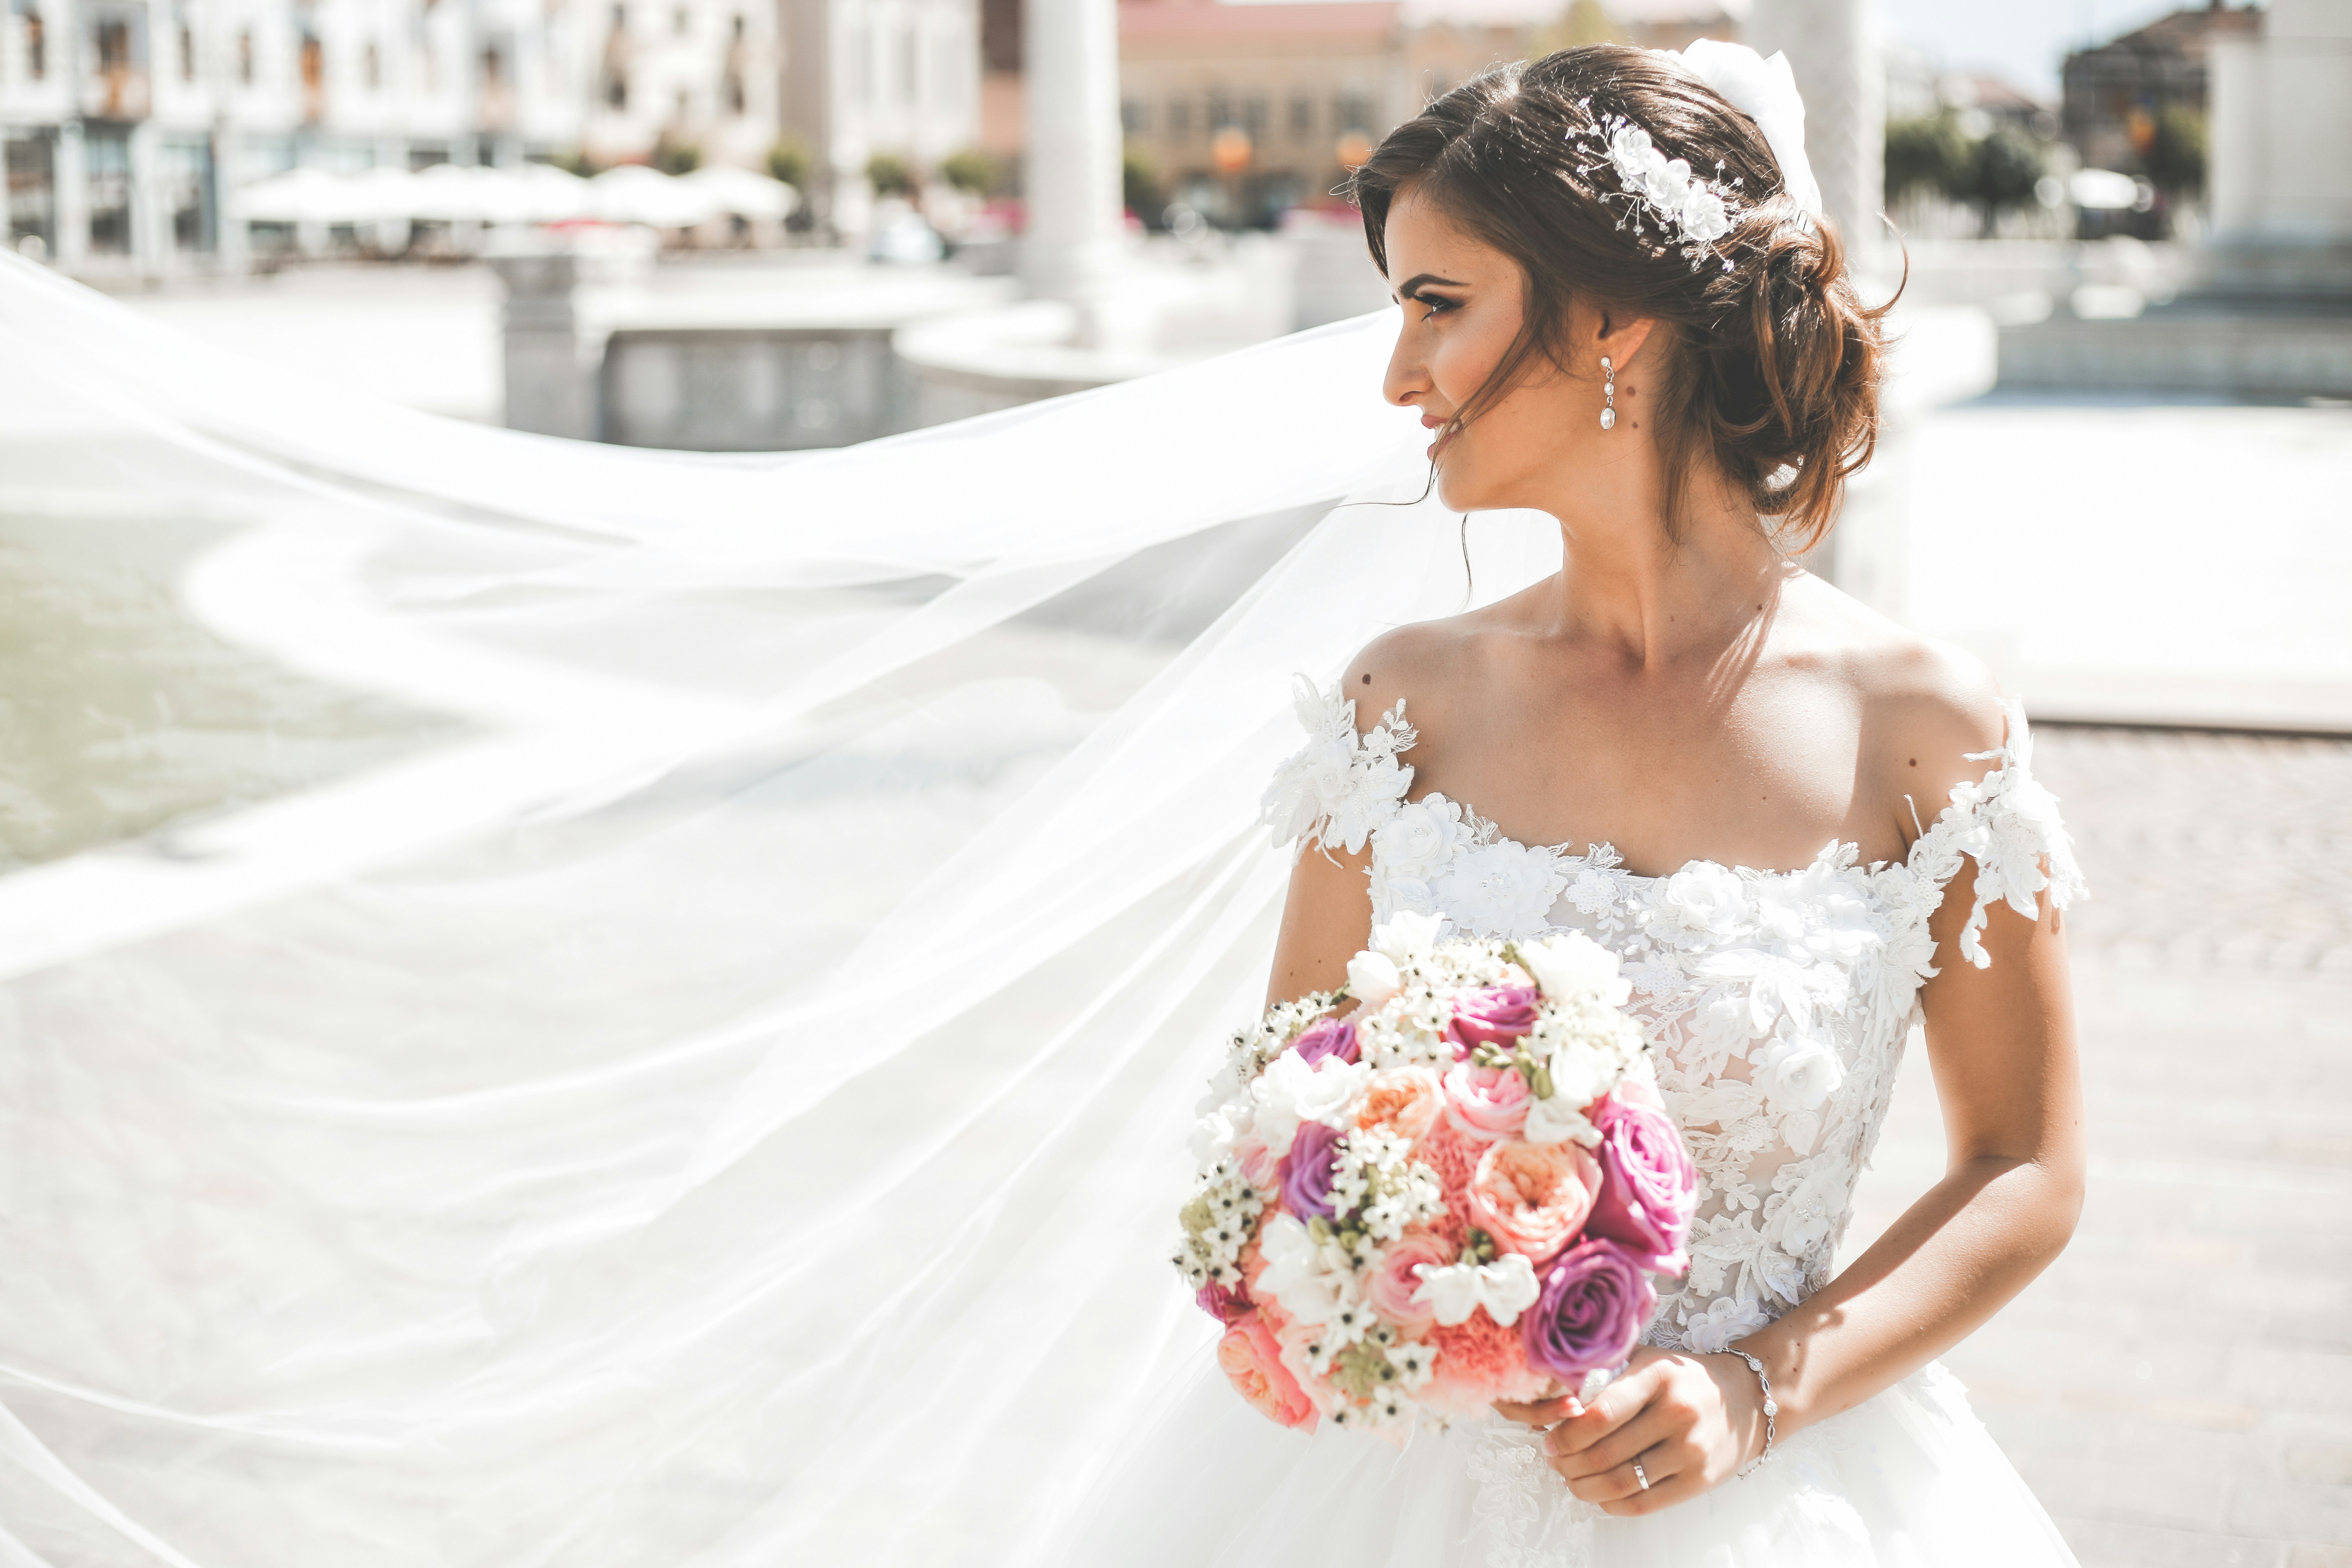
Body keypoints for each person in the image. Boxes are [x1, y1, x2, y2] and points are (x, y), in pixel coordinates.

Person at [1058, 43, 2088, 1567]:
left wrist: (1760, 1389)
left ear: (1612, 316)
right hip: (1385, 1495)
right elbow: (1290, 1125)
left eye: (1437, 306)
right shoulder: (1399, 709)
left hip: (1771, 1494)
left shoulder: (1924, 729)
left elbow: (2028, 1164)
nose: (1398, 375)